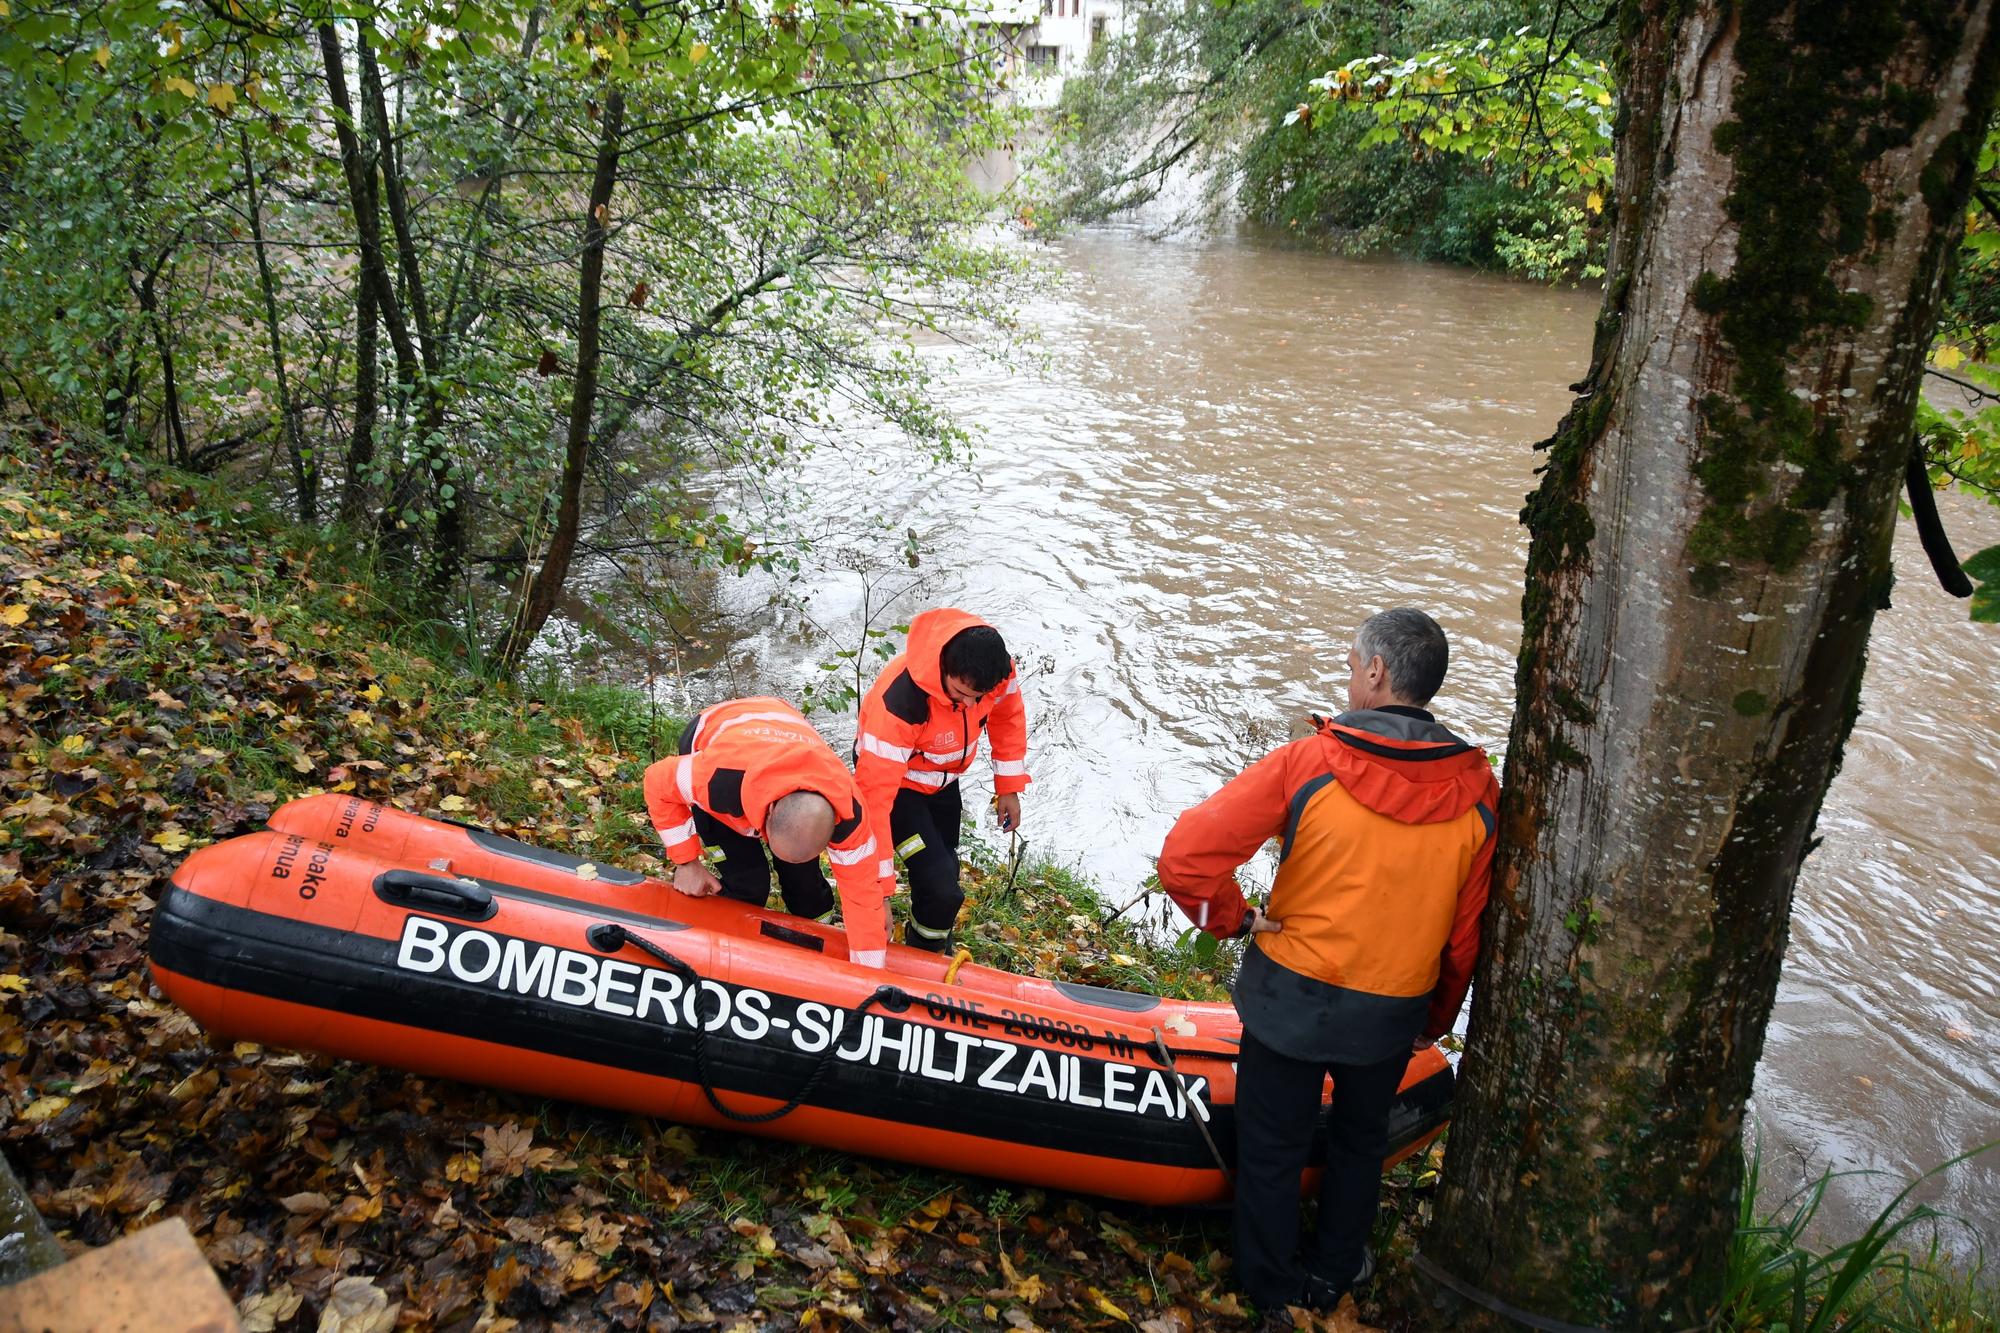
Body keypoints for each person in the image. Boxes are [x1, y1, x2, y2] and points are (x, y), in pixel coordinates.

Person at [1156, 608, 1497, 1314]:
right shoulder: (1480, 798)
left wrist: (1236, 917)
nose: (1349, 678)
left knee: (1273, 1144)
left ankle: (1269, 1287)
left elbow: (1186, 859)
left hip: (1292, 998)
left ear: (1376, 672)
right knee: (1359, 1143)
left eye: (1351, 664)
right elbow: (1464, 940)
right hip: (1391, 1009)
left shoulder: (1310, 761)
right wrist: (1432, 1019)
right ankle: (1333, 1273)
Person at [644, 696, 893, 967]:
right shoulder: (719, 780)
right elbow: (657, 782)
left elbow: (862, 895)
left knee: (806, 889)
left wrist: (869, 973)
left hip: (782, 738)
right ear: (771, 811)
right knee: (749, 883)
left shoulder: (850, 815)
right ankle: (718, 953)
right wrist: (686, 862)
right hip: (719, 735)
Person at [852, 607, 1030, 953]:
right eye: (960, 694)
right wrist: (879, 895)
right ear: (943, 667)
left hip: (943, 783)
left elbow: (1008, 717)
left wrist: (1008, 787)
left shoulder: (997, 671)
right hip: (898, 789)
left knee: (944, 869)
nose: (970, 704)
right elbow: (874, 801)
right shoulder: (900, 704)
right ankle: (926, 953)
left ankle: (927, 940)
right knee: (941, 887)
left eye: (978, 698)